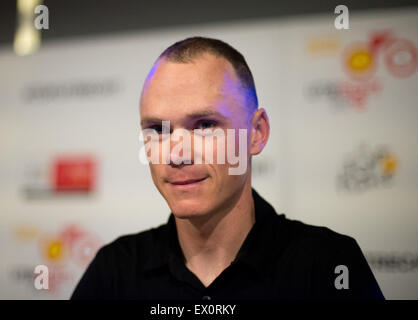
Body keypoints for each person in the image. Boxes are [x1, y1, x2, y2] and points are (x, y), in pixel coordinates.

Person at [71, 37, 384, 300]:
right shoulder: (113, 272)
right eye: (158, 129)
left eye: (205, 125)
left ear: (257, 133)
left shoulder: (329, 265)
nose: (176, 155)